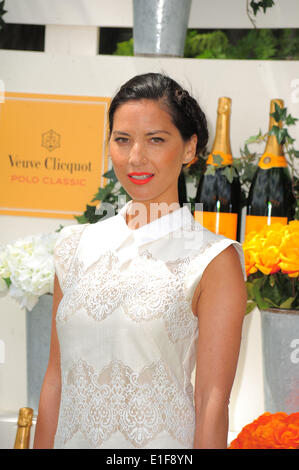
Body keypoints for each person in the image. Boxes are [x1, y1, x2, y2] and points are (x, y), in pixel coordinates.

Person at [33, 73, 247, 449]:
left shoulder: (213, 259)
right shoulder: (74, 246)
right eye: (122, 139)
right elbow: (56, 379)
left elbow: (211, 402)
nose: (135, 157)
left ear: (188, 148)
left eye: (156, 140)